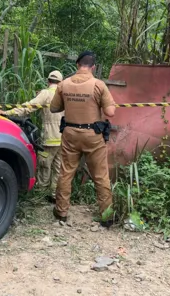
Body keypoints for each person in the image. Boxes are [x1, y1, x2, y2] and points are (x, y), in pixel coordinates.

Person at [50, 51, 116, 227]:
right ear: (93, 67)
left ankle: (61, 212)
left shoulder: (63, 84)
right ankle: (106, 216)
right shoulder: (99, 85)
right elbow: (110, 112)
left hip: (70, 134)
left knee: (66, 172)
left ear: (77, 65)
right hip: (93, 135)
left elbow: (54, 108)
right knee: (101, 175)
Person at [0, 70, 65, 198]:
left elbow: (27, 107)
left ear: (48, 81)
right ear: (61, 82)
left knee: (45, 165)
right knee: (58, 168)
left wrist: (7, 113)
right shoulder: (65, 95)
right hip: (63, 139)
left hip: (50, 139)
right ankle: (55, 194)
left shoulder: (46, 93)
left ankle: (40, 194)